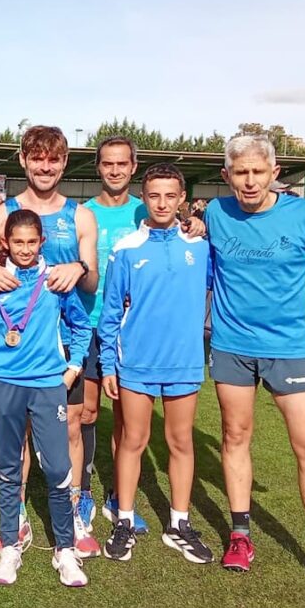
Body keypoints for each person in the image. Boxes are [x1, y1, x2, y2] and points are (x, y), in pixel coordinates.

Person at [206, 134, 305, 607]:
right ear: (227, 177)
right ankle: (240, 534)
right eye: (241, 173)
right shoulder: (215, 216)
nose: (250, 181)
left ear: (275, 172)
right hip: (233, 348)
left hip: (291, 350)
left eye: (258, 171)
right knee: (235, 437)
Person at [0, 125, 99, 555]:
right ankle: (19, 512)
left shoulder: (80, 215)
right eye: (37, 158)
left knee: (71, 430)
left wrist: (80, 268)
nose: (45, 167)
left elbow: (93, 278)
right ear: (23, 160)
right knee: (19, 432)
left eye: (54, 159)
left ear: (64, 163)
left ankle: (75, 506)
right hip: (16, 348)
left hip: (63, 346)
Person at [0, 209, 92, 587]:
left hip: (49, 385)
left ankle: (65, 550)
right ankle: (10, 546)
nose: (26, 249)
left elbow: (81, 326)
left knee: (58, 468)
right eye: (19, 242)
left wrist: (73, 367)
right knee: (10, 467)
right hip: (5, 385)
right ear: (6, 243)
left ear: (42, 242)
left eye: (33, 242)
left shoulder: (55, 282)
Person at [98, 164, 213, 564]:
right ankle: (124, 519)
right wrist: (109, 365)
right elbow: (111, 312)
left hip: (184, 362)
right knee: (133, 440)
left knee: (181, 442)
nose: (162, 203)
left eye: (170, 195)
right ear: (143, 198)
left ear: (182, 198)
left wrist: (199, 225)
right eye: (153, 195)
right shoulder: (126, 248)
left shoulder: (200, 246)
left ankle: (179, 524)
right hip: (137, 363)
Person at [76, 135, 151, 536]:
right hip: (88, 325)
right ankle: (82, 491)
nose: (116, 170)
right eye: (108, 164)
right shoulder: (82, 213)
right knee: (87, 412)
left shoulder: (148, 211)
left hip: (133, 331)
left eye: (123, 163)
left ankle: (120, 499)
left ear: (133, 167)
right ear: (99, 167)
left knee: (127, 420)